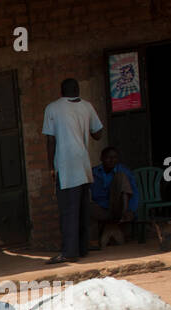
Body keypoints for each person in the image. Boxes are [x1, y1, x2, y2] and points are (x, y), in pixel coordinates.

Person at [42, 78, 104, 264]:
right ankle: (82, 248)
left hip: (66, 165)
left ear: (61, 92)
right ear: (78, 90)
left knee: (68, 210)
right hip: (84, 164)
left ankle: (69, 252)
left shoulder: (52, 108)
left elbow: (50, 140)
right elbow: (98, 133)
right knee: (82, 209)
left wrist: (51, 168)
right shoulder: (87, 106)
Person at [89, 147, 139, 247]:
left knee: (121, 177)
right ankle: (92, 242)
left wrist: (131, 210)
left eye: (115, 158)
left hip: (119, 208)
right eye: (108, 157)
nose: (112, 160)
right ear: (101, 158)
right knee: (85, 207)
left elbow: (134, 192)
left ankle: (124, 214)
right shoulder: (94, 172)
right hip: (102, 209)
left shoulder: (123, 171)